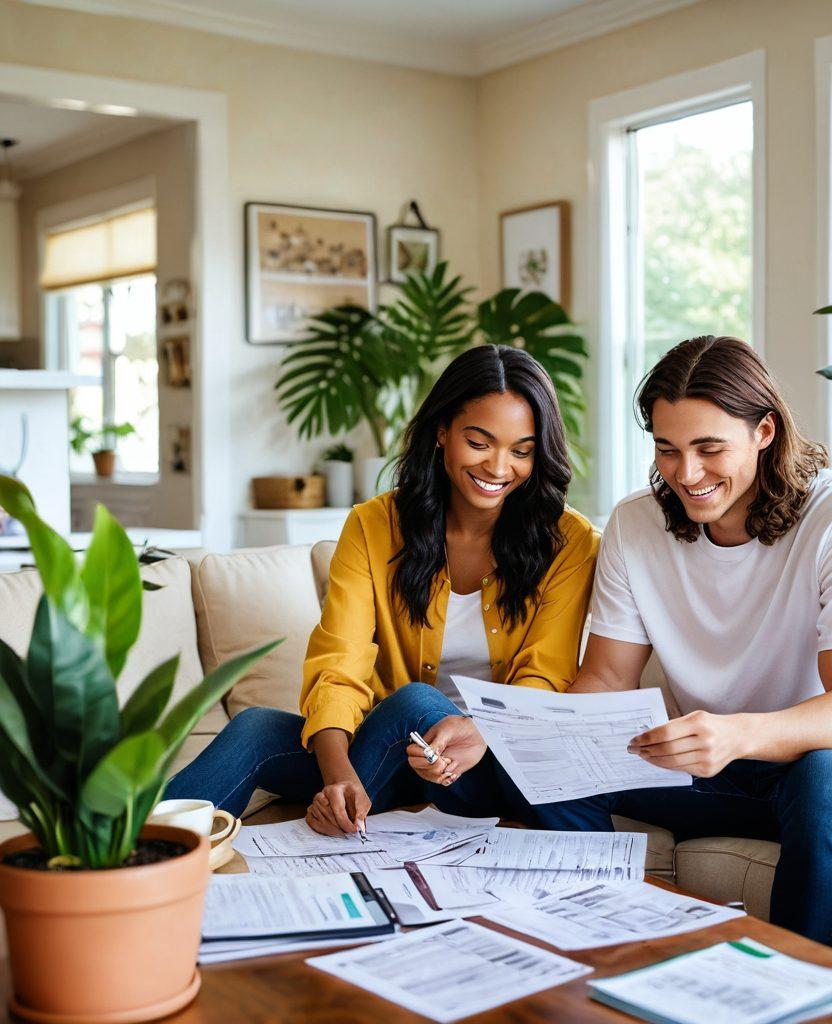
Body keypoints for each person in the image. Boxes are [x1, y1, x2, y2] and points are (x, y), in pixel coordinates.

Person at [533, 335, 832, 949]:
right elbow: (606, 678)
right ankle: (613, 940)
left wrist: (734, 733)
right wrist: (533, 729)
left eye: (709, 448)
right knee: (548, 766)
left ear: (764, 431)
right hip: (714, 772)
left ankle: (792, 991)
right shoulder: (636, 524)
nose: (687, 474)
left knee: (823, 778)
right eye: (668, 450)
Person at [165, 344, 599, 833]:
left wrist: (482, 730)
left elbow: (546, 678)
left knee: (415, 703)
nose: (499, 468)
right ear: (442, 432)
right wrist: (338, 775)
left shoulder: (569, 541)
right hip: (392, 752)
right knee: (255, 729)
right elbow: (339, 663)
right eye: (479, 443)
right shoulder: (375, 525)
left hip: (486, 762)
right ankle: (128, 852)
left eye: (521, 451)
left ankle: (342, 823)